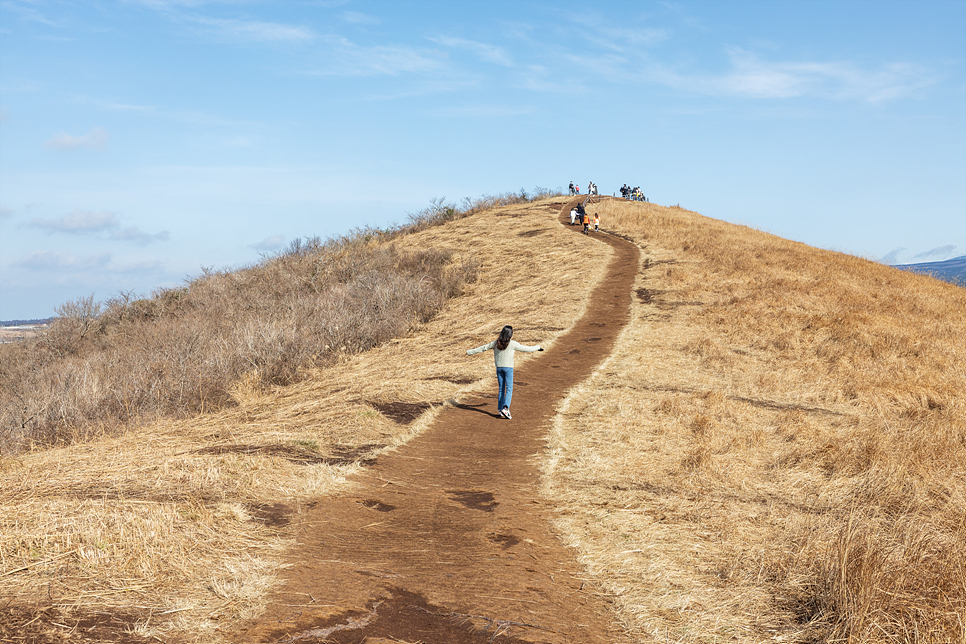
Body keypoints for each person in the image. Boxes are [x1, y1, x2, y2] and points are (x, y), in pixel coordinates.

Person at [466, 326, 543, 419]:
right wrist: (538, 347)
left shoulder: (495, 343)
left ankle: (500, 410)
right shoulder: (512, 344)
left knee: (501, 389)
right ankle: (506, 408)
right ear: (510, 335)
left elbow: (483, 348)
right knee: (509, 389)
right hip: (508, 369)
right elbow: (526, 349)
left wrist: (469, 352)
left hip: (499, 369)